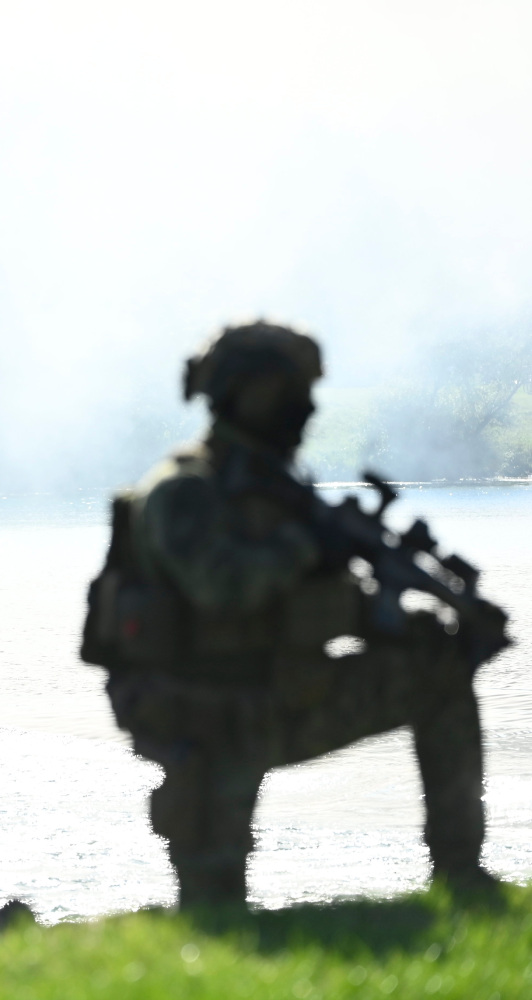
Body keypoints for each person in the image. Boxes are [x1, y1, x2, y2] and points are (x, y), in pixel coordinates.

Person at [83, 322, 508, 909]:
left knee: (438, 670)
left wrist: (405, 622)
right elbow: (222, 589)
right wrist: (307, 547)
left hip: (285, 693)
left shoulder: (278, 485)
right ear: (243, 393)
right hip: (205, 715)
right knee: (214, 907)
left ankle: (462, 875)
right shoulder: (185, 490)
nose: (304, 407)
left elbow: (319, 602)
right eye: (287, 391)